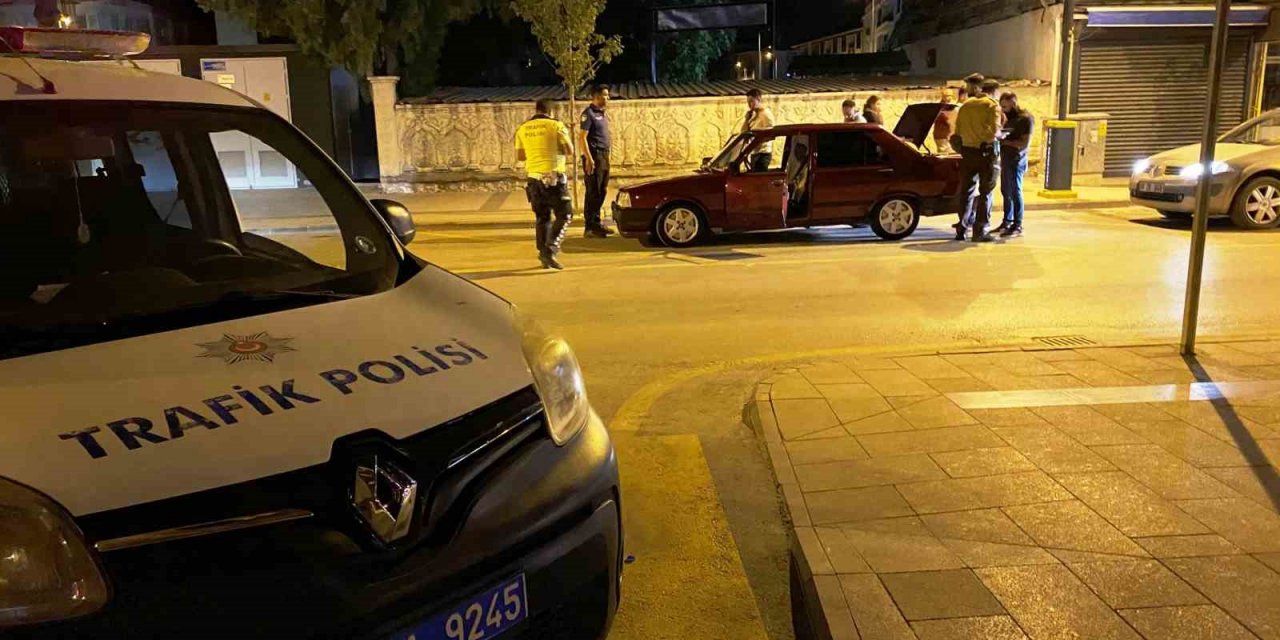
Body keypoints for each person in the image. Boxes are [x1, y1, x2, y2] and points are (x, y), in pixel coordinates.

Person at [515, 99, 574, 270]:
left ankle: (542, 252)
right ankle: (550, 251)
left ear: (537, 110)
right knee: (565, 214)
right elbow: (569, 150)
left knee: (542, 217)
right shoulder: (556, 126)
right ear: (551, 112)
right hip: (553, 177)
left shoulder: (523, 128)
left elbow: (520, 156)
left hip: (533, 179)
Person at [951, 73, 1001, 242]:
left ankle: (962, 228)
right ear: (994, 91)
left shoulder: (965, 105)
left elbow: (957, 132)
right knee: (986, 192)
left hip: (967, 152)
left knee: (966, 191)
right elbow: (994, 132)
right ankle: (980, 231)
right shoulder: (991, 105)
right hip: (986, 153)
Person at [994, 91, 1034, 237]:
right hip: (1005, 158)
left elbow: (1024, 143)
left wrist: (1005, 141)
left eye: (1005, 105)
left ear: (1013, 102)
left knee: (1015, 191)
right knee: (1005, 190)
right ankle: (1007, 222)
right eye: (1001, 106)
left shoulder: (1025, 119)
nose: (1003, 109)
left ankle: (1018, 224)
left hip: (1017, 160)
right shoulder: (1007, 118)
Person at [578, 84, 615, 239]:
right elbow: (582, 137)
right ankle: (590, 227)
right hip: (594, 157)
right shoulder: (589, 114)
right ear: (596, 96)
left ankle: (597, 223)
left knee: (602, 191)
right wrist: (588, 158)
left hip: (604, 156)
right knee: (593, 191)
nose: (608, 98)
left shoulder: (601, 114)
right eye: (605, 95)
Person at [740, 88, 776, 171]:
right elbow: (743, 133)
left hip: (763, 153)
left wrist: (758, 140)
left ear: (759, 99)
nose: (749, 104)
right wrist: (746, 119)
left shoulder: (766, 114)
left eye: (751, 101)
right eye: (748, 102)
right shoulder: (752, 115)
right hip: (754, 152)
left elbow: (772, 134)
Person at [932, 88, 961, 155]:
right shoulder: (939, 108)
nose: (948, 98)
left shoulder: (949, 107)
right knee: (946, 155)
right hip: (942, 136)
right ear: (943, 96)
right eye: (946, 96)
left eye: (949, 96)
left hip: (947, 136)